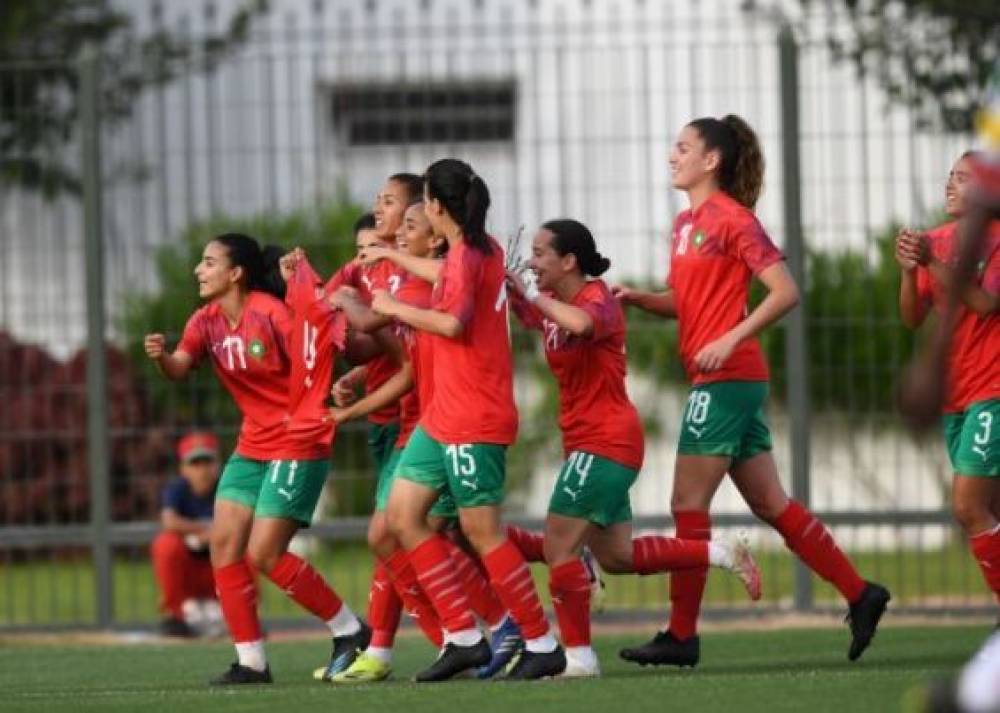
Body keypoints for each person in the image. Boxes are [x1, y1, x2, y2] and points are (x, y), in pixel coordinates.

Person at [614, 115, 890, 667]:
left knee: (686, 504)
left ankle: (681, 635)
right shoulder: (685, 223)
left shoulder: (733, 220)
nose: (673, 156)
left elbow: (785, 291)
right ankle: (861, 594)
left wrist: (731, 335)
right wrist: (639, 298)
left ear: (711, 160)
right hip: (729, 380)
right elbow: (689, 300)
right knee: (770, 502)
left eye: (683, 147)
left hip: (726, 378)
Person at [505, 218, 761, 677]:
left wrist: (532, 297)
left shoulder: (595, 298)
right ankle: (719, 553)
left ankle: (580, 657)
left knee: (560, 551)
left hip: (604, 441)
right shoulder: (555, 304)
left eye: (541, 253)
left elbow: (583, 324)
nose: (532, 262)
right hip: (593, 444)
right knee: (616, 557)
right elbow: (530, 314)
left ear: (569, 261)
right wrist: (502, 285)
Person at [372, 158, 565, 681]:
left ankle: (542, 641)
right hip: (444, 417)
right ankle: (462, 635)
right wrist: (395, 255)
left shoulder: (465, 256)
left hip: (473, 415)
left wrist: (392, 305)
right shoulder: (481, 249)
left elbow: (452, 322)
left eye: (422, 205)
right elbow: (447, 275)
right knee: (401, 517)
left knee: (482, 533)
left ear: (436, 208)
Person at [144, 233, 367, 685]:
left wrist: (335, 394)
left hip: (297, 443)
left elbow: (314, 354)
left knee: (264, 553)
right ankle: (252, 663)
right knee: (225, 545)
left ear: (236, 273)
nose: (198, 270)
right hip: (252, 447)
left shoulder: (272, 314)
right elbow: (180, 369)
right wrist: (162, 357)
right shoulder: (205, 322)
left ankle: (350, 628)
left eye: (208, 262)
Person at [327, 200, 521, 682]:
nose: (380, 213)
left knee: (449, 530)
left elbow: (389, 333)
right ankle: (456, 638)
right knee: (426, 529)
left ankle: (500, 631)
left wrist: (347, 302)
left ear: (430, 224)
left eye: (393, 207)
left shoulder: (424, 275)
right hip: (425, 423)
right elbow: (386, 345)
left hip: (440, 420)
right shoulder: (413, 268)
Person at [896, 151, 1000, 604]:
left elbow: (986, 304)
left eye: (964, 179)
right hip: (954, 397)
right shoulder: (934, 239)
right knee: (988, 508)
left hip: (992, 390)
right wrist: (909, 270)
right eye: (950, 176)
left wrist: (929, 263)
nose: (951, 185)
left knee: (967, 505)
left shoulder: (995, 238)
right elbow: (912, 317)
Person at [151, 431, 221, 638]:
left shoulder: (228, 486)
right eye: (195, 464)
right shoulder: (176, 488)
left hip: (220, 567)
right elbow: (169, 521)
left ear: (217, 465)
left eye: (207, 462)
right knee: (165, 544)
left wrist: (214, 534)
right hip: (189, 569)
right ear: (183, 468)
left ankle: (245, 612)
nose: (202, 471)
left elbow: (245, 521)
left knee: (247, 545)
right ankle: (176, 615)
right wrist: (204, 529)